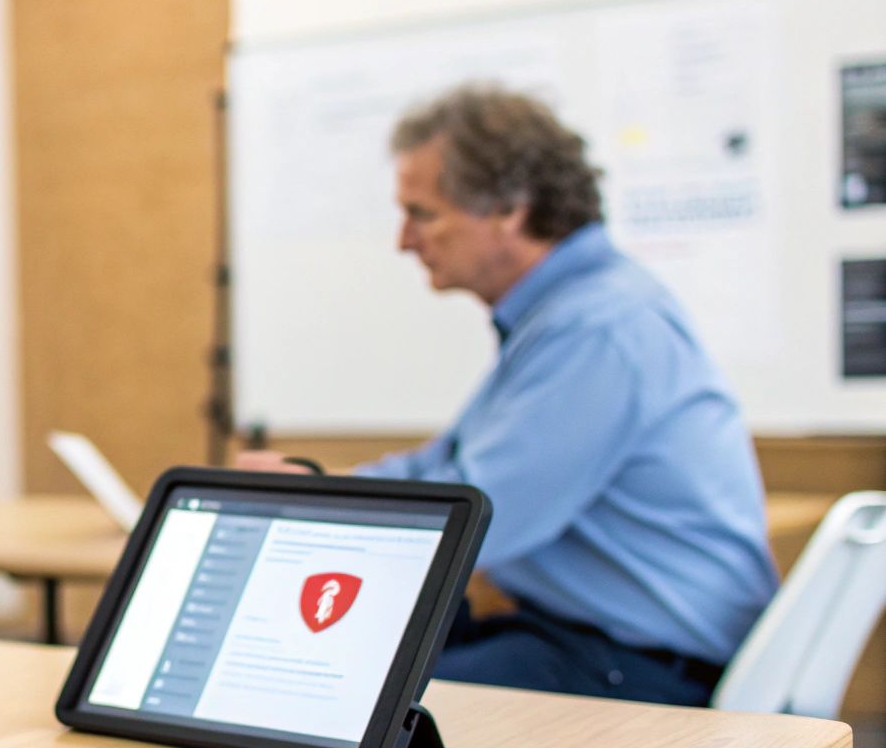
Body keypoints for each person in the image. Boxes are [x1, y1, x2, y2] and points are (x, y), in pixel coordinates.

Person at [241, 84, 778, 706]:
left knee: (330, 692)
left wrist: (308, 517)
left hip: (643, 671)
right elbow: (448, 467)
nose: (404, 241)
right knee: (340, 666)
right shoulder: (570, 315)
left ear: (510, 209)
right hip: (597, 645)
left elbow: (474, 519)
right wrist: (311, 491)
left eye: (422, 214)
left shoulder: (598, 328)